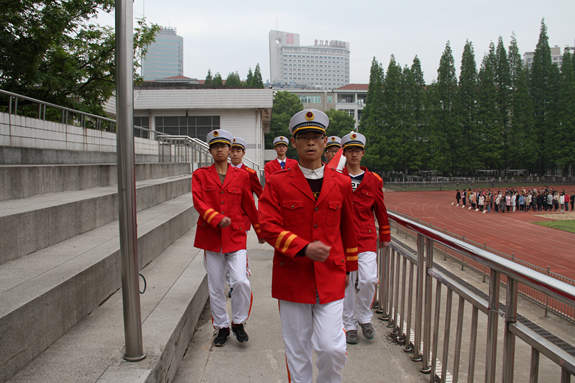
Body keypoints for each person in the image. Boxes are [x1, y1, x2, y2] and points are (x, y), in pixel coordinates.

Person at [258, 109, 359, 383]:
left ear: (326, 142)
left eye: (317, 137)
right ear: (294, 143)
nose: (311, 143)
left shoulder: (341, 183)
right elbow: (267, 225)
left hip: (331, 276)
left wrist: (352, 268)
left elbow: (348, 230)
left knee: (331, 347)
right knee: (298, 351)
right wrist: (302, 247)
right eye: (304, 137)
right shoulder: (278, 183)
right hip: (293, 276)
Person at [192, 129, 263, 347]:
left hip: (235, 235)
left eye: (223, 146)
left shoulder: (242, 176)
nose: (220, 150)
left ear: (229, 149)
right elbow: (198, 201)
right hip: (211, 237)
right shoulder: (200, 175)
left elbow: (248, 204)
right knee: (215, 285)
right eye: (215, 146)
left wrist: (260, 230)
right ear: (211, 150)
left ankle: (239, 322)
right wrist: (215, 217)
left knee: (241, 281)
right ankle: (222, 327)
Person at [340, 131, 390, 345]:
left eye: (357, 150)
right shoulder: (336, 176)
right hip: (342, 238)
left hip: (366, 236)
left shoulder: (373, 180)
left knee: (369, 279)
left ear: (362, 153)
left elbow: (380, 209)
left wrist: (385, 234)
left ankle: (364, 317)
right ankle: (349, 323)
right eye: (350, 150)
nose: (354, 154)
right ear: (345, 153)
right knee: (347, 284)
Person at [226, 137, 264, 296]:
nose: (235, 154)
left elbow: (261, 195)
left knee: (239, 250)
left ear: (243, 153)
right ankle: (233, 281)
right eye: (233, 151)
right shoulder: (223, 170)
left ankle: (240, 277)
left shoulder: (250, 173)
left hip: (243, 218)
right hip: (225, 217)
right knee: (227, 251)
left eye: (238, 151)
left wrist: (261, 220)